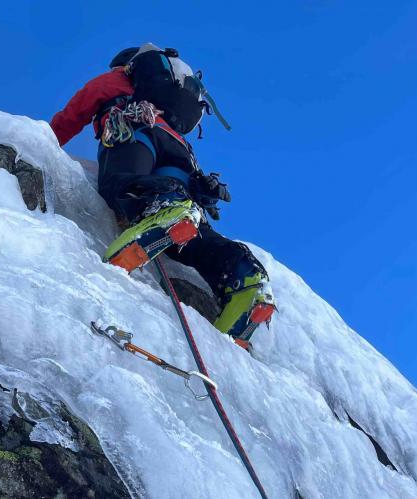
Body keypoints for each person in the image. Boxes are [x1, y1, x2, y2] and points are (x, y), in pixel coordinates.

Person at [50, 43, 275, 349]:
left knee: (124, 183)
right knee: (194, 235)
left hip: (135, 128)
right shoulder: (173, 107)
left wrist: (45, 140)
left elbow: (75, 112)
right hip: (181, 157)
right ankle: (243, 277)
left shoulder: (117, 80)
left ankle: (168, 212)